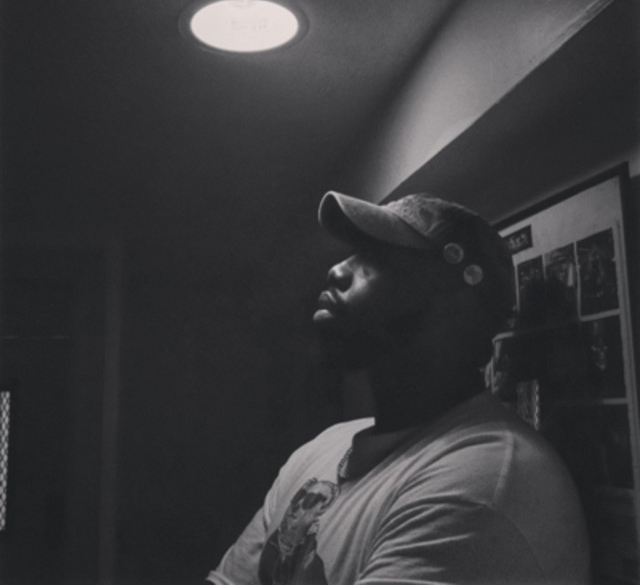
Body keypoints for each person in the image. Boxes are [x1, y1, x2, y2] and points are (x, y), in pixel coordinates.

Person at [206, 191, 590, 585]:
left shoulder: (483, 480)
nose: (337, 270)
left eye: (376, 256)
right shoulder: (322, 448)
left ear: (454, 304)